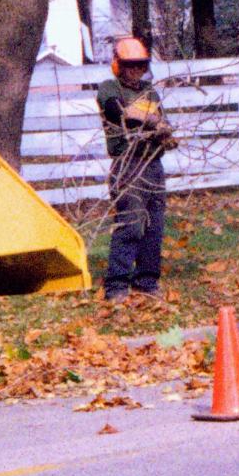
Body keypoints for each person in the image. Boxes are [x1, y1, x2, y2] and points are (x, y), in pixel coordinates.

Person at [97, 36, 176, 302]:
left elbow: (163, 122)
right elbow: (117, 112)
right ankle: (117, 286)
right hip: (128, 165)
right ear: (118, 66)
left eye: (140, 66)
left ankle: (147, 281)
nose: (135, 71)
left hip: (153, 163)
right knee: (131, 225)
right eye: (130, 66)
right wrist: (151, 120)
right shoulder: (110, 88)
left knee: (154, 226)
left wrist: (165, 134)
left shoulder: (150, 92)